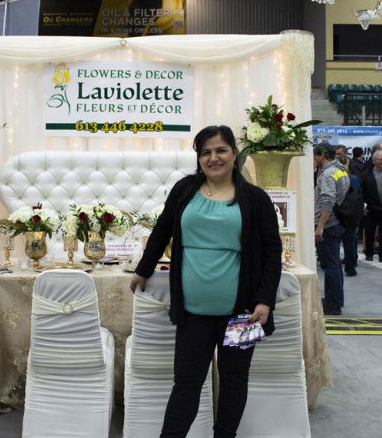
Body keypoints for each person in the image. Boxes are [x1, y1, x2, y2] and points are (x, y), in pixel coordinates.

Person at [129, 125, 282, 438]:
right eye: (206, 152)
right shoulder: (185, 190)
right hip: (193, 311)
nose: (214, 158)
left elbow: (271, 252)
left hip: (243, 311)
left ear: (235, 154)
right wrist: (143, 269)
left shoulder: (255, 199)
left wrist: (265, 299)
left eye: (221, 150)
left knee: (234, 379)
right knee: (186, 383)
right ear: (198, 158)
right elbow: (162, 231)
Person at [314, 141, 350, 315]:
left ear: (322, 155)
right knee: (334, 264)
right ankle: (334, 299)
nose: (314, 159)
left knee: (330, 265)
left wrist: (319, 227)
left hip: (328, 225)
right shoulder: (340, 170)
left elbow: (328, 201)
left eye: (315, 155)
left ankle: (333, 304)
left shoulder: (328, 174)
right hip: (336, 223)